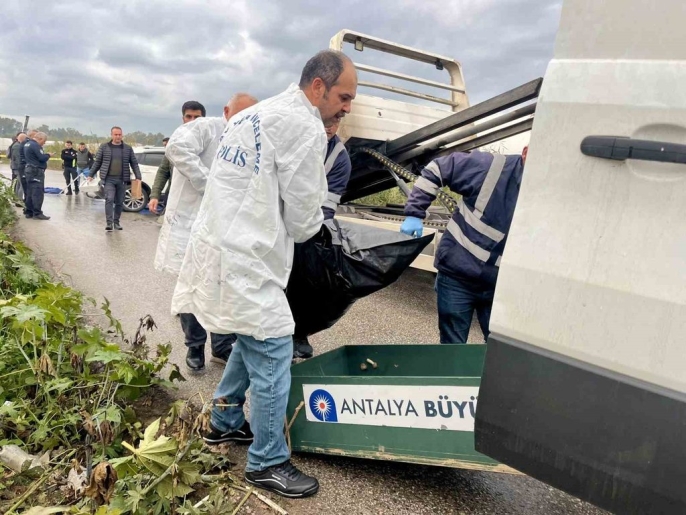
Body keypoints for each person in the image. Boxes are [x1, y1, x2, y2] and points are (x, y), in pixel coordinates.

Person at [172, 50, 357, 498]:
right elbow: (302, 219)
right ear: (318, 86)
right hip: (248, 257)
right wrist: (320, 232)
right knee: (274, 347)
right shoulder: (304, 127)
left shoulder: (255, 115)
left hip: (222, 245)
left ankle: (224, 421)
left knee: (250, 336)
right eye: (344, 97)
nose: (347, 108)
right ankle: (267, 461)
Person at [156, 94, 257, 372]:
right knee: (191, 288)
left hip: (223, 226)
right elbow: (176, 148)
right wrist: (209, 184)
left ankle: (222, 347)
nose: (245, 121)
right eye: (240, 115)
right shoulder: (205, 127)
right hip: (190, 221)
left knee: (222, 286)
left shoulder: (249, 140)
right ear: (226, 111)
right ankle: (195, 347)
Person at [401, 147, 527, 344]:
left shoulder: (547, 192)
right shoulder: (490, 167)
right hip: (457, 276)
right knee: (453, 347)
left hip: (499, 286)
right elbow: (438, 169)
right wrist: (414, 213)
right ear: (526, 153)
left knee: (500, 348)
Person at [291, 118, 352, 359]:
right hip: (275, 221)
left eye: (336, 122)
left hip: (308, 226)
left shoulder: (339, 157)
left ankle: (298, 334)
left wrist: (310, 234)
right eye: (326, 120)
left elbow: (328, 205)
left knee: (304, 281)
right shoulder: (293, 140)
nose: (330, 126)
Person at [148, 101, 206, 215]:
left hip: (200, 202)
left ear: (204, 120)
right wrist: (155, 195)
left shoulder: (212, 144)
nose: (192, 121)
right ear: (183, 119)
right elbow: (163, 171)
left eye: (197, 117)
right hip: (175, 198)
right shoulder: (175, 144)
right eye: (188, 116)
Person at [88, 127, 142, 231]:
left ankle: (116, 222)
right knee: (109, 199)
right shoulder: (104, 147)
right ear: (111, 135)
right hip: (108, 179)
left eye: (119, 134)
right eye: (116, 134)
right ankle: (109, 223)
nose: (118, 136)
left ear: (122, 135)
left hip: (122, 179)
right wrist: (91, 174)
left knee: (120, 201)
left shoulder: (127, 148)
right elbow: (98, 162)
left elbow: (134, 163)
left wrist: (138, 177)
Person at [23, 132, 54, 220]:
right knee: (37, 192)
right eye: (44, 141)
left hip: (29, 169)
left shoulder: (27, 144)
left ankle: (29, 211)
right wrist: (48, 155)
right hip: (36, 171)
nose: (44, 143)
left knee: (30, 191)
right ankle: (37, 213)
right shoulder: (35, 145)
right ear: (40, 139)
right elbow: (41, 158)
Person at [9, 132, 27, 200]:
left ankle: (16, 198)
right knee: (21, 184)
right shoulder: (17, 146)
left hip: (17, 167)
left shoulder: (17, 145)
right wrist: (22, 167)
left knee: (18, 184)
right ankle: (19, 199)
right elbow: (18, 158)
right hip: (18, 168)